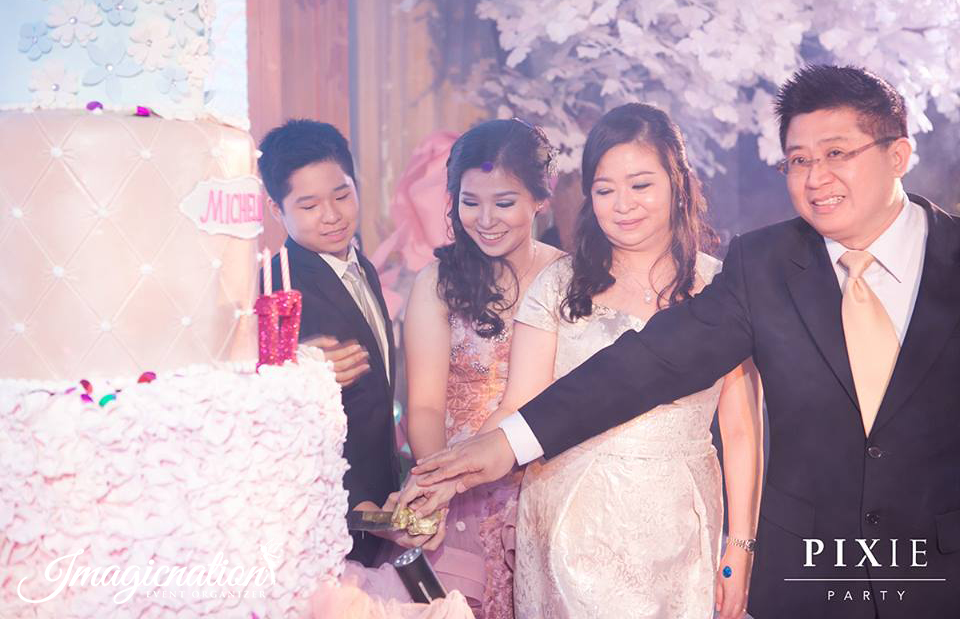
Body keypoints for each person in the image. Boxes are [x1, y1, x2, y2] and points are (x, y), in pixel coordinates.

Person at [404, 66, 960, 619]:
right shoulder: (763, 265)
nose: (816, 178)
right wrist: (497, 447)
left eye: (836, 153)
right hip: (799, 577)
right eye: (799, 160)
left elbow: (743, 430)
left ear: (898, 154)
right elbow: (644, 365)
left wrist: (739, 546)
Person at [468, 103, 762, 619]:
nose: (623, 205)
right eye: (605, 190)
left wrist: (740, 549)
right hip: (565, 530)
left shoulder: (723, 289)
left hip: (680, 530)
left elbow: (741, 432)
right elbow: (518, 407)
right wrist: (451, 468)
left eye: (640, 185)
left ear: (678, 184)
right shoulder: (558, 285)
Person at [403, 118, 564, 617]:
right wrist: (438, 480)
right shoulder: (437, 282)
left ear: (540, 198)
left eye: (504, 202)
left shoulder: (567, 278)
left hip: (544, 481)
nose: (487, 220)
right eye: (470, 202)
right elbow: (425, 405)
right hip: (456, 491)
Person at [258, 120, 399, 566]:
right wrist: (360, 507)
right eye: (309, 205)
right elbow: (280, 421)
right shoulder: (276, 290)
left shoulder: (363, 267)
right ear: (276, 209)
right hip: (329, 516)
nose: (333, 215)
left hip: (378, 504)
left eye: (342, 195)